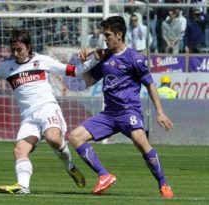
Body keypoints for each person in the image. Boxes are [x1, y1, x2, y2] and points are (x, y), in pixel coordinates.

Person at [0, 29, 99, 194]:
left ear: (28, 47)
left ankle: (70, 167)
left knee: (53, 139)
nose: (15, 53)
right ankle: (23, 186)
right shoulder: (7, 67)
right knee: (20, 150)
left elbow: (75, 71)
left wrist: (95, 59)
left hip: (47, 109)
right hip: (28, 117)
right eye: (12, 50)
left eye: (19, 49)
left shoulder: (42, 60)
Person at [68, 16, 174, 198]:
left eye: (108, 35)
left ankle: (163, 184)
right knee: (74, 137)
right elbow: (89, 81)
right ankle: (104, 175)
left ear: (119, 35)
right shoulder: (104, 58)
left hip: (129, 112)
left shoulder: (134, 58)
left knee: (141, 141)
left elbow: (150, 84)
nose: (105, 38)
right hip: (108, 115)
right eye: (104, 35)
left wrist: (161, 113)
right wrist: (84, 63)